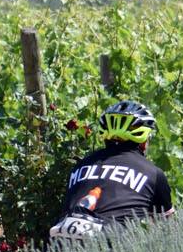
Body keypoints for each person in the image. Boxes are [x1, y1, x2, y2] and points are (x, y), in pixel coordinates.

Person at [49, 100, 174, 243]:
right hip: (110, 242)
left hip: (61, 239)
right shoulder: (153, 173)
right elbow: (167, 228)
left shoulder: (80, 166)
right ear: (144, 141)